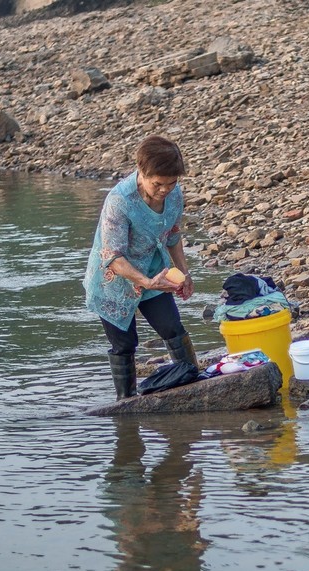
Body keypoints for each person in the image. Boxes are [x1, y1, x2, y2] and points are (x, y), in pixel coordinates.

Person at [83, 135, 196, 399]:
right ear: (141, 171)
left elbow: (173, 235)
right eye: (158, 184)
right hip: (113, 278)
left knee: (172, 328)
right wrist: (145, 282)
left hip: (153, 269)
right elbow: (113, 256)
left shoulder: (174, 194)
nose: (165, 190)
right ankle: (127, 401)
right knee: (124, 345)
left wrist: (185, 272)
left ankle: (192, 381)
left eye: (172, 183)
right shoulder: (119, 201)